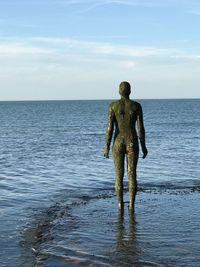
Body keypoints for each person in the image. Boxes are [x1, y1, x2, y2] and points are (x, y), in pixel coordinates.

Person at [103, 81, 148, 210]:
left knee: (118, 174)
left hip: (117, 142)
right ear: (130, 91)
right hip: (132, 141)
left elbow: (109, 129)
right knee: (132, 173)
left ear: (119, 91)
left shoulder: (113, 106)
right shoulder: (136, 106)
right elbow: (141, 129)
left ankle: (119, 204)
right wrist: (143, 145)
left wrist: (106, 146)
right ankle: (132, 205)